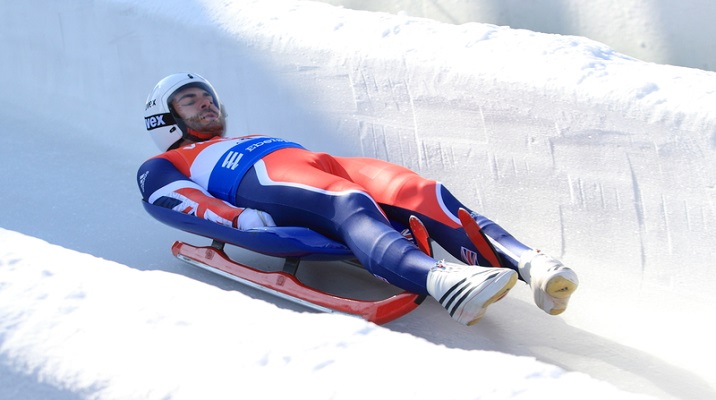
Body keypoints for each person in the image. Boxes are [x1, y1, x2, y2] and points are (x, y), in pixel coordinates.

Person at [138, 72, 578, 325]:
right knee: (348, 200)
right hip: (260, 180)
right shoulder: (166, 162)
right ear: (166, 118)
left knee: (419, 191)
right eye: (190, 101)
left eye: (208, 98)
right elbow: (171, 197)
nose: (206, 104)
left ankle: (529, 264)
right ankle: (441, 281)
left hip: (324, 163)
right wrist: (238, 220)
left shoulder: (246, 135)